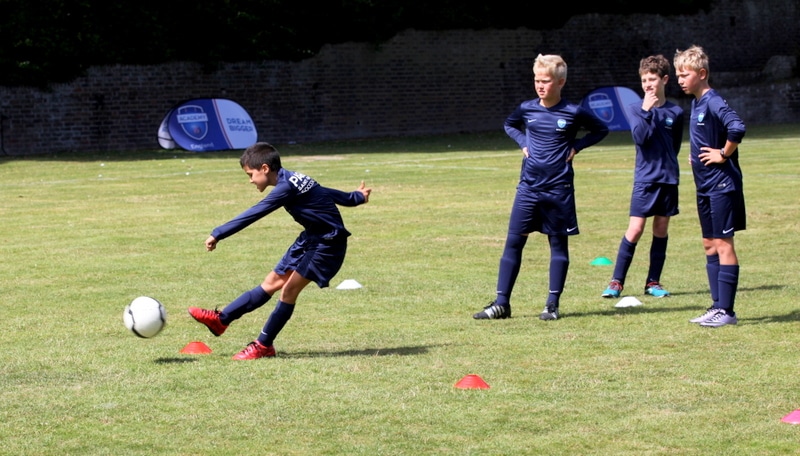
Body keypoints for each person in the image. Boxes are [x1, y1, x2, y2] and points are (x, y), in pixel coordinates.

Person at [188, 142, 372, 359]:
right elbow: (326, 193)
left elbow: (257, 211)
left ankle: (264, 345)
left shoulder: (286, 187)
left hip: (327, 243)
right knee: (271, 283)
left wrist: (218, 233)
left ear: (265, 169)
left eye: (250, 174)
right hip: (311, 238)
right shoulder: (293, 179)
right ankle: (221, 321)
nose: (250, 180)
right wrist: (356, 197)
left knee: (288, 291)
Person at [473, 54, 609, 321]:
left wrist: (576, 147)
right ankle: (501, 304)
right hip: (528, 188)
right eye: (537, 80)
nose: (540, 86)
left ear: (560, 82)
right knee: (513, 243)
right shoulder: (527, 109)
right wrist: (523, 142)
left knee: (558, 245)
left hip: (558, 190)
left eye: (545, 81)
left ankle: (552, 304)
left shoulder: (573, 112)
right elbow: (510, 124)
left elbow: (600, 130)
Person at [674, 45, 746, 327]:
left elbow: (737, 127)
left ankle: (727, 312)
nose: (680, 79)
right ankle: (716, 306)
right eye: (678, 74)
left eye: (685, 74)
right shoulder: (696, 102)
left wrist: (722, 153)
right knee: (709, 244)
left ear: (701, 74)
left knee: (723, 243)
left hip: (722, 185)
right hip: (704, 186)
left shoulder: (713, 100)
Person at [601, 55, 684, 299]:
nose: (647, 84)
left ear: (664, 80)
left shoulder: (676, 111)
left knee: (661, 228)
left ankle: (653, 283)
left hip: (668, 179)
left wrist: (668, 165)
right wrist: (647, 110)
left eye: (652, 79)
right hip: (645, 180)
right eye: (644, 80)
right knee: (636, 229)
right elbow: (640, 137)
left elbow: (675, 144)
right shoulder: (635, 109)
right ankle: (616, 282)